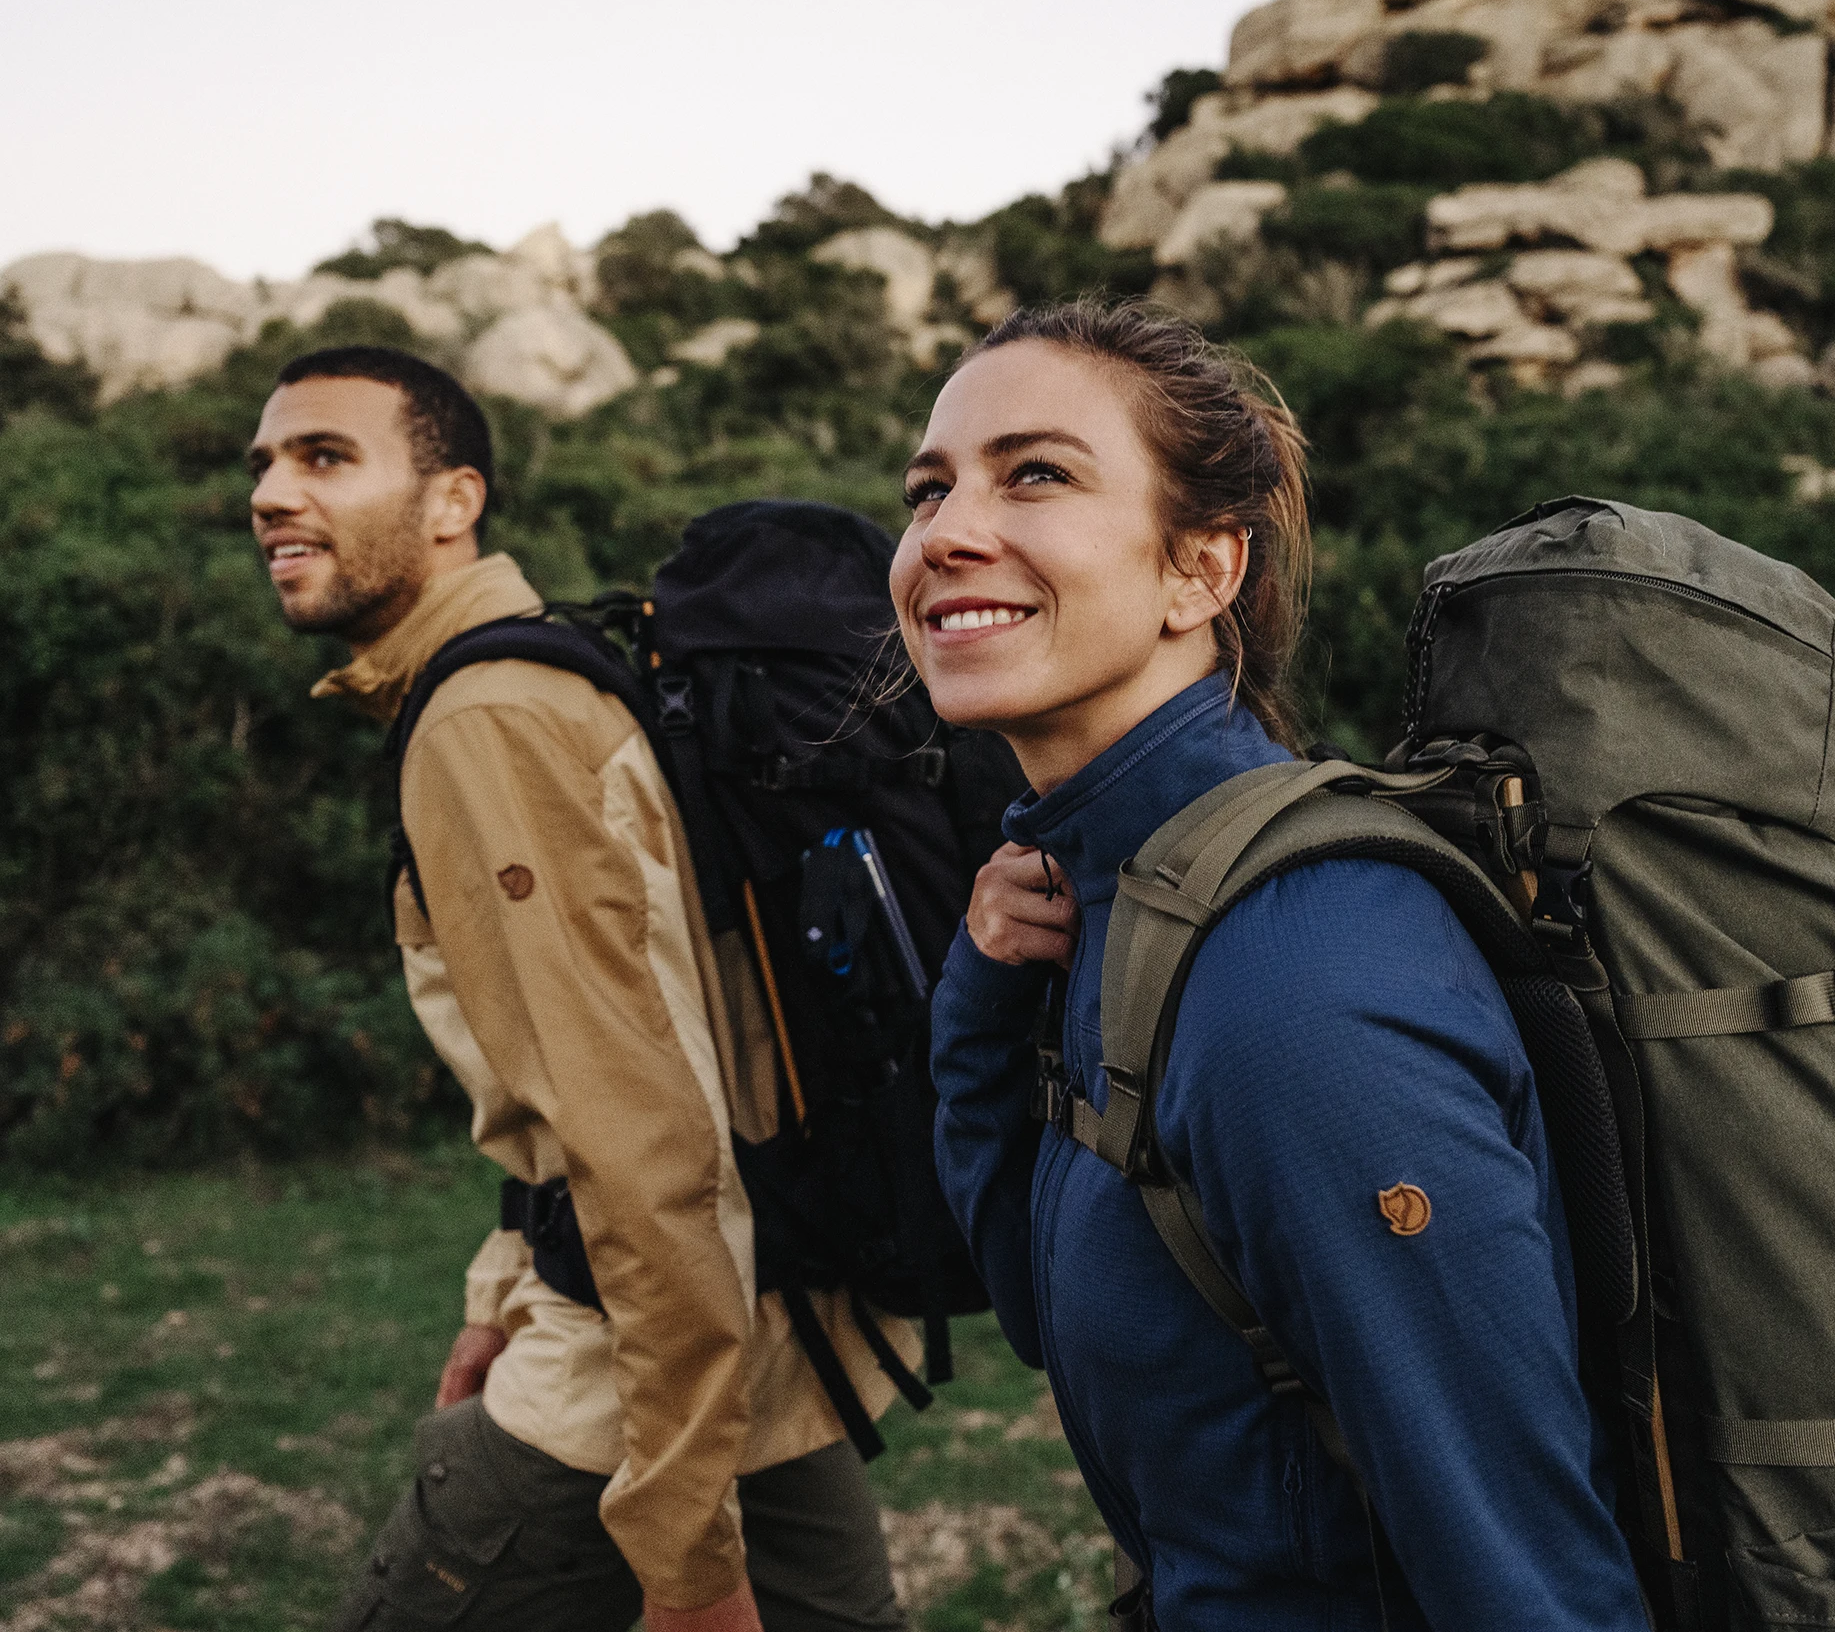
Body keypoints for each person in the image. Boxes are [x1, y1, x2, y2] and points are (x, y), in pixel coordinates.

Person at [891, 301, 1648, 1630]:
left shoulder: (1291, 978)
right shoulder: (1112, 896)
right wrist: (981, 992)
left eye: (1036, 472)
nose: (944, 529)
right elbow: (1037, 1299)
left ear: (1201, 570)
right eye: (926, 486)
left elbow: (1523, 1564)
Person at [247, 345, 908, 1632]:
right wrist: (501, 1284)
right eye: (264, 463)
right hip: (745, 1345)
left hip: (630, 1378)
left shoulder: (488, 718)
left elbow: (644, 1142)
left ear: (453, 501)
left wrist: (687, 1564)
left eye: (324, 456)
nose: (271, 492)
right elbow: (585, 1081)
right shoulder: (542, 672)